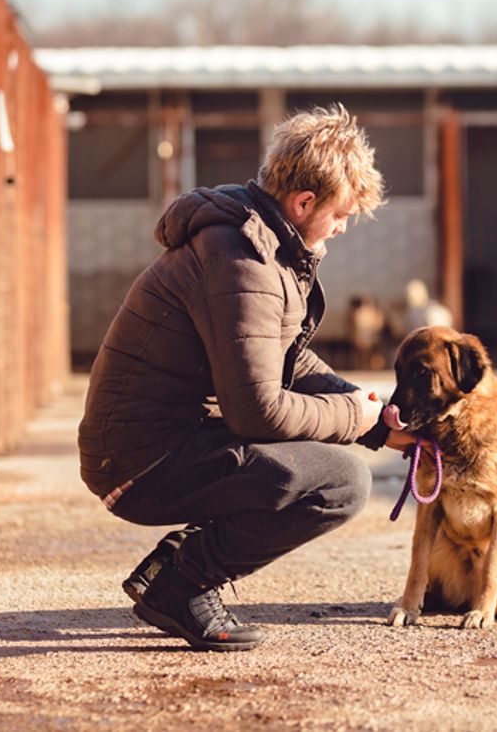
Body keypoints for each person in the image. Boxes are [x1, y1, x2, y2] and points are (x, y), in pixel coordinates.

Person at [78, 105, 417, 652]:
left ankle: (178, 570)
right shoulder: (244, 261)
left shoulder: (258, 244)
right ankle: (183, 585)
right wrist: (356, 420)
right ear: (303, 202)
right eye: (340, 214)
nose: (342, 227)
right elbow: (258, 410)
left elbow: (287, 361)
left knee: (326, 465)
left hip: (156, 445)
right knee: (339, 483)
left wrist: (371, 415)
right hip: (141, 462)